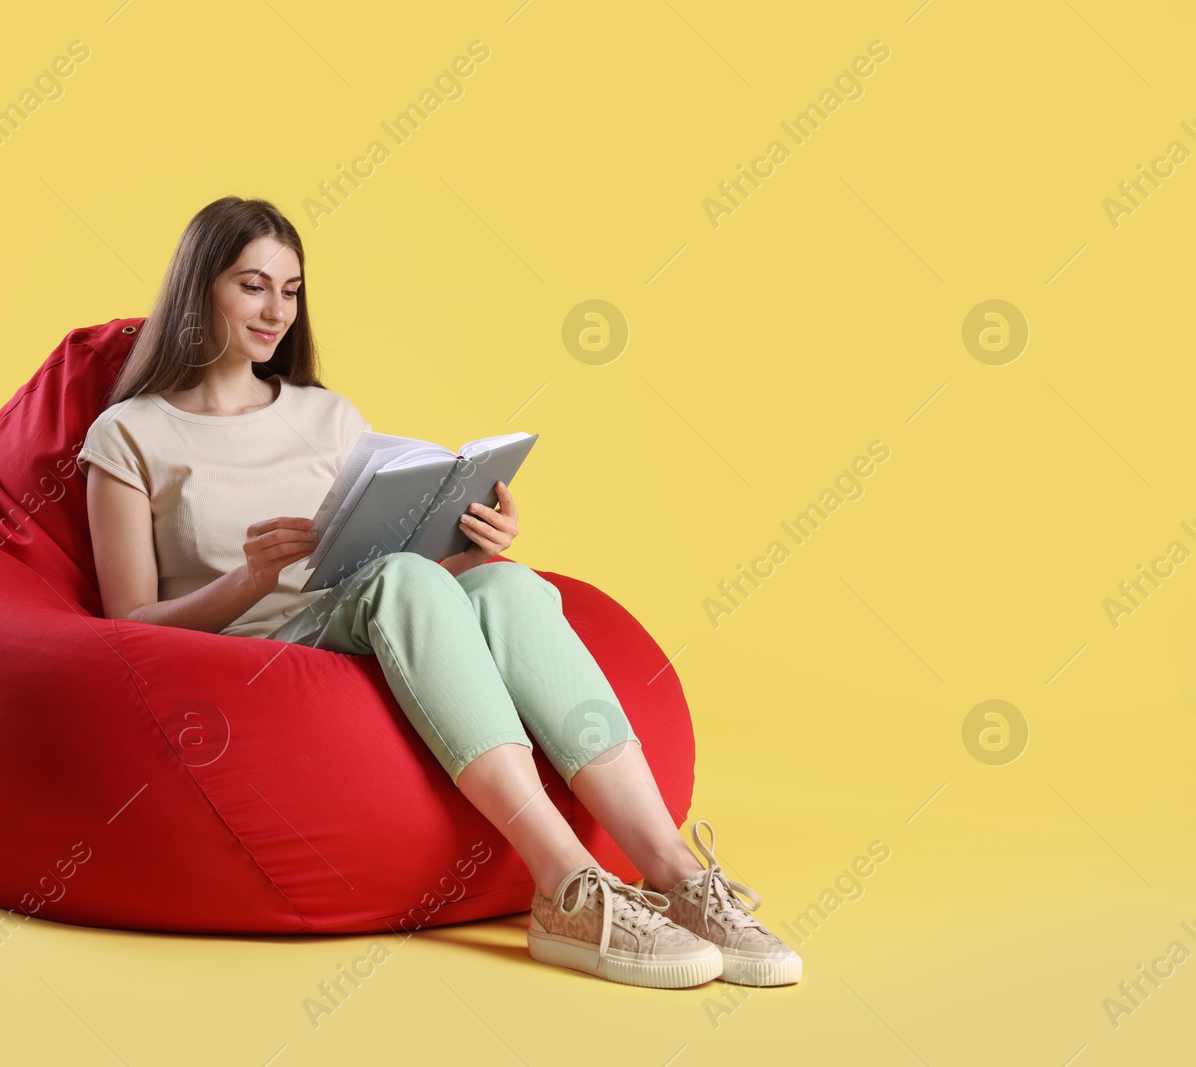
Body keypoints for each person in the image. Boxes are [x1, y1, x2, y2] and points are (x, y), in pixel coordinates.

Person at [79, 195, 801, 990]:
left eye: (290, 290)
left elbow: (384, 569)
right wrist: (246, 580)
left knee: (507, 586)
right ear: (198, 288)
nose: (276, 310)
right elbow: (127, 623)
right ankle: (565, 881)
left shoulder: (328, 415)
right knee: (402, 579)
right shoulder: (131, 434)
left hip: (355, 612)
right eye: (253, 285)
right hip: (254, 654)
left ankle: (673, 872)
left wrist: (471, 543)